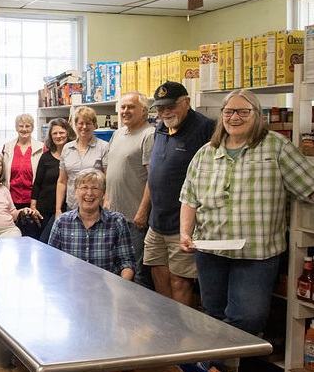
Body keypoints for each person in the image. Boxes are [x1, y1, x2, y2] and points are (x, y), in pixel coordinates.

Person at [180, 89, 314, 334]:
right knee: (214, 315)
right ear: (222, 115)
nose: (235, 118)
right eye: (229, 112)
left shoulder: (276, 147)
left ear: (257, 115)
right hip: (211, 250)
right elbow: (189, 199)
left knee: (248, 318)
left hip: (256, 254)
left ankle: (225, 362)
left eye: (244, 112)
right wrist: (185, 234)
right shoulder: (207, 152)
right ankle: (221, 370)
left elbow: (309, 185)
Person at [144, 81, 215, 306]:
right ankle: (167, 328)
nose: (164, 112)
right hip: (157, 221)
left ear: (186, 102)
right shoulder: (160, 128)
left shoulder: (205, 128)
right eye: (160, 108)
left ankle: (183, 335)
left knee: (180, 282)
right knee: (158, 274)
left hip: (183, 224)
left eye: (170, 106)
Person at [104, 91, 155, 288]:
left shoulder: (149, 135)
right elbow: (111, 171)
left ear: (144, 111)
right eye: (123, 107)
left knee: (137, 273)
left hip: (135, 219)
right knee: (118, 268)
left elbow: (152, 178)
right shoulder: (118, 133)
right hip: (114, 215)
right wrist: (107, 199)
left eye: (130, 107)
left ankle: (137, 317)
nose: (125, 111)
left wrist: (142, 211)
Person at [49, 169, 135, 280]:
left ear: (103, 193)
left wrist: (121, 286)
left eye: (95, 188)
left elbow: (127, 261)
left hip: (107, 291)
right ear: (75, 191)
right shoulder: (62, 222)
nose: (89, 193)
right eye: (84, 188)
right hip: (70, 289)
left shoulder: (117, 222)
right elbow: (51, 261)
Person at [55, 106, 109, 219]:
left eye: (88, 123)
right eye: (81, 123)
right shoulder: (67, 148)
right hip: (72, 205)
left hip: (94, 205)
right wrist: (58, 209)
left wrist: (107, 201)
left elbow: (108, 180)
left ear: (94, 125)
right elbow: (62, 181)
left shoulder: (103, 147)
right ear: (75, 125)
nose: (84, 127)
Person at [31, 118, 75, 243]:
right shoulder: (45, 157)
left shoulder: (73, 156)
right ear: (50, 136)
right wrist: (33, 206)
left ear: (68, 133)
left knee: (47, 241)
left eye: (61, 132)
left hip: (65, 208)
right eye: (55, 133)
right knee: (44, 241)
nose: (58, 136)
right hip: (43, 208)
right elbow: (37, 183)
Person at [1, 113, 43, 238]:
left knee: (31, 237)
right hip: (12, 200)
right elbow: (2, 173)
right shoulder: (7, 148)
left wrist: (34, 204)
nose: (24, 129)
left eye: (27, 126)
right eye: (21, 126)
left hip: (33, 201)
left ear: (33, 128)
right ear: (16, 127)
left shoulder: (41, 148)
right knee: (13, 238)